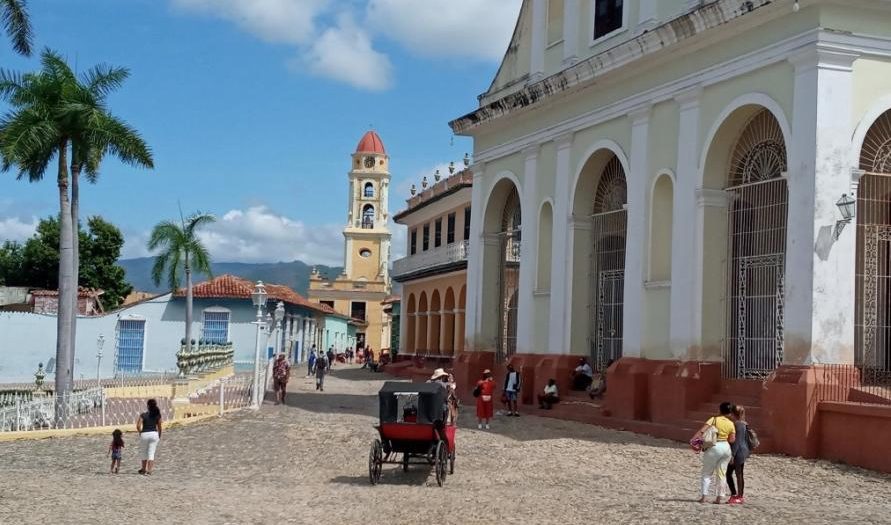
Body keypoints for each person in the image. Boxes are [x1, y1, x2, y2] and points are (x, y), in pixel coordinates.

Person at [691, 401, 736, 504]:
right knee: (722, 473)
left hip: (713, 447)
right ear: (730, 412)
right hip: (726, 448)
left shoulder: (714, 419)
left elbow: (702, 431)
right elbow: (732, 439)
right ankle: (720, 498)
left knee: (707, 472)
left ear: (719, 410)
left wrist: (694, 439)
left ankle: (704, 497)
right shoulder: (731, 423)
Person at [727, 405, 751, 505]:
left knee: (737, 473)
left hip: (738, 452)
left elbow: (737, 441)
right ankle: (736, 494)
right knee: (734, 473)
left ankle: (739, 496)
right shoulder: (744, 423)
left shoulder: (738, 424)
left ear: (733, 414)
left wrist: (732, 455)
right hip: (742, 451)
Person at [136, 399, 162, 475]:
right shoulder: (157, 415)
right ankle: (149, 470)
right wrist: (159, 435)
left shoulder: (143, 415)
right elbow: (160, 427)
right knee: (151, 453)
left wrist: (141, 433)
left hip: (144, 434)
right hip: (154, 434)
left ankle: (143, 469)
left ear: (148, 406)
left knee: (144, 452)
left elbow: (138, 426)